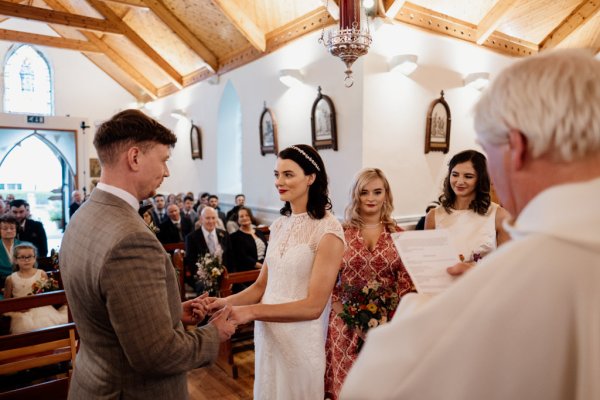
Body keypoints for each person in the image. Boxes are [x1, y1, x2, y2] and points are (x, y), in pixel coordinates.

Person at [340, 49, 600, 400]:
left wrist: (425, 306)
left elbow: (372, 388)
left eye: (488, 155)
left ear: (517, 147)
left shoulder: (524, 270)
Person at [59, 109, 236, 399]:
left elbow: (106, 310)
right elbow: (157, 355)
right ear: (135, 157)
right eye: (164, 160)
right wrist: (213, 335)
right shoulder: (130, 240)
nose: (167, 172)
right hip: (129, 390)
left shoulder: (85, 214)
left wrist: (168, 312)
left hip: (92, 380)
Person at [210, 144, 345, 399]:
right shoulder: (279, 225)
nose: (279, 182)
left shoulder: (328, 230)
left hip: (300, 342)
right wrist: (223, 303)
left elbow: (313, 306)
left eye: (288, 174)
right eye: (276, 174)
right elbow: (261, 287)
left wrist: (250, 312)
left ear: (311, 178)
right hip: (269, 338)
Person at [324, 168, 415, 400]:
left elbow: (406, 285)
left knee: (383, 388)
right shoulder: (341, 233)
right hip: (344, 323)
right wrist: (352, 321)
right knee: (347, 389)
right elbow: (329, 284)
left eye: (377, 192)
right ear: (356, 195)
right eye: (365, 192)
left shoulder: (399, 235)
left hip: (388, 326)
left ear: (386, 194)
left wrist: (384, 322)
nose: (371, 198)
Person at [425, 149, 511, 275]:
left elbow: (506, 265)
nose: (459, 182)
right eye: (455, 175)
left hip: (482, 287)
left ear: (480, 179)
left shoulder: (499, 216)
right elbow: (428, 261)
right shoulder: (433, 216)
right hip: (445, 287)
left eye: (468, 176)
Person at [3, 242, 68, 333]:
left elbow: (47, 296)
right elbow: (7, 303)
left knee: (46, 323)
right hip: (21, 313)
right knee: (25, 325)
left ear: (35, 258)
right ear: (15, 260)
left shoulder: (41, 274)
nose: (26, 260)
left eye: (30, 256)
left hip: (41, 309)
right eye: (22, 257)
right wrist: (18, 308)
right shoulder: (10, 279)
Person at [184, 206, 232, 293]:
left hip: (223, 274)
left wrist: (229, 275)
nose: (211, 221)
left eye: (213, 218)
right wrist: (205, 274)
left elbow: (230, 256)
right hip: (202, 276)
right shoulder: (191, 238)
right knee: (207, 289)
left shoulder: (224, 235)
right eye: (207, 218)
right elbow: (191, 262)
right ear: (201, 219)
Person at [229, 206, 267, 272]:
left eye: (247, 215)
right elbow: (244, 258)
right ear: (237, 219)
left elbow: (267, 250)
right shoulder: (235, 237)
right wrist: (263, 268)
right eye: (241, 216)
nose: (244, 218)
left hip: (265, 266)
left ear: (251, 217)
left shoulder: (259, 232)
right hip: (249, 270)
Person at [0, 215, 21, 291]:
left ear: (16, 230)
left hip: (21, 284)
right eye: (5, 228)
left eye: (12, 228)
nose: (9, 231)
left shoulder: (24, 246)